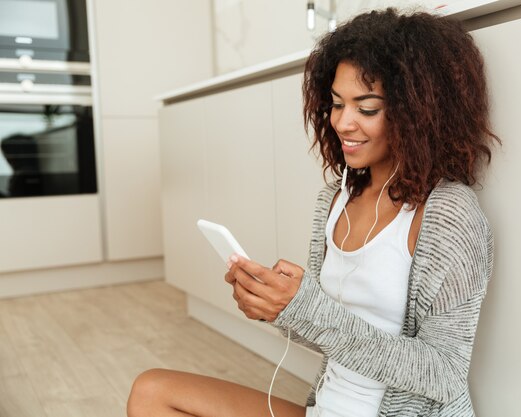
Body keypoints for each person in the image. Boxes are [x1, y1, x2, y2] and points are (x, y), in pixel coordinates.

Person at [127, 7, 499, 417]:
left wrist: (305, 308)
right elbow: (327, 330)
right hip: (325, 409)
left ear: (418, 112)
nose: (343, 122)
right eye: (337, 104)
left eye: (367, 108)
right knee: (152, 391)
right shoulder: (335, 199)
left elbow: (444, 374)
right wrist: (276, 306)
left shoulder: (449, 213)